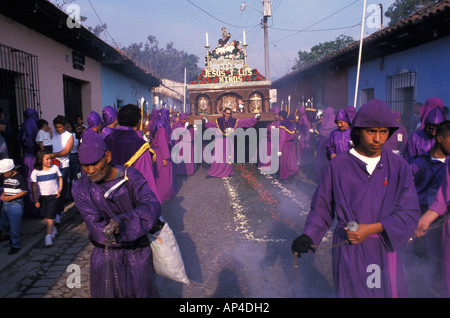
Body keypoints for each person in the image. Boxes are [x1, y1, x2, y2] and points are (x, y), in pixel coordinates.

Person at [291, 99, 421, 298]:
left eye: (384, 131)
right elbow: (322, 207)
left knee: (382, 292)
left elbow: (410, 210)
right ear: (358, 130)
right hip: (349, 247)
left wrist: (374, 228)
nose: (378, 139)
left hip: (383, 247)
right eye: (371, 131)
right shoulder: (339, 165)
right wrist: (309, 234)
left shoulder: (398, 166)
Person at [71, 132, 161, 297]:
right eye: (85, 165)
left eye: (95, 163)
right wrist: (122, 229)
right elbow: (97, 228)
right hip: (106, 256)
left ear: (107, 156)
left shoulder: (131, 177)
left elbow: (151, 206)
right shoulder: (80, 188)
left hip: (137, 254)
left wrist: (124, 222)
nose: (90, 171)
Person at [408, 120, 450, 295]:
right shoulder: (419, 163)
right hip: (423, 216)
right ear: (439, 138)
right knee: (421, 256)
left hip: (441, 219)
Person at [104, 104, 162, 204]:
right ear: (139, 122)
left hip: (106, 197)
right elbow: (146, 178)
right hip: (129, 200)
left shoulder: (105, 140)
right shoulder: (140, 146)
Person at [203, 107, 260, 178]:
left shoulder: (234, 121)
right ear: (224, 113)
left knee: (228, 158)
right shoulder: (219, 120)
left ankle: (227, 172)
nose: (228, 115)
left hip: (228, 142)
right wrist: (205, 121)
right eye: (227, 113)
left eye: (230, 114)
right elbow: (211, 125)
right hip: (219, 142)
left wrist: (255, 118)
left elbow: (244, 122)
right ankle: (214, 173)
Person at [31, 149, 63, 247]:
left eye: (50, 159)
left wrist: (60, 189)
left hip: (53, 195)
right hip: (43, 197)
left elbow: (60, 178)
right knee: (46, 214)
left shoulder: (55, 168)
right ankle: (53, 229)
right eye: (47, 159)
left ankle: (48, 237)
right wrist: (36, 199)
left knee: (50, 216)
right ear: (41, 160)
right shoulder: (36, 172)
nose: (50, 161)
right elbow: (34, 186)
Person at [0, 159, 28, 255]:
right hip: (6, 204)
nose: (3, 175)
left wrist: (11, 197)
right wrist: (3, 194)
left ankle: (16, 244)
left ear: (10, 171)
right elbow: (5, 186)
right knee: (3, 223)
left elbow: (24, 191)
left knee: (14, 226)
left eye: (4, 173)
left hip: (15, 204)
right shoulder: (5, 177)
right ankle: (10, 236)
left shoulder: (19, 178)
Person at [149, 107, 178, 200]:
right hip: (161, 154)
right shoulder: (161, 127)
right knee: (164, 177)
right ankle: (164, 195)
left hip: (157, 152)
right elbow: (163, 143)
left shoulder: (156, 124)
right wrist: (165, 157)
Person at [51, 115, 74, 222]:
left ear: (64, 126)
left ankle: (59, 211)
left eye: (60, 127)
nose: (58, 129)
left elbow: (66, 151)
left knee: (60, 189)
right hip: (51, 166)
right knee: (52, 190)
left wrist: (52, 155)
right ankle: (56, 211)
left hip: (63, 166)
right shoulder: (52, 134)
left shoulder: (69, 136)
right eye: (56, 127)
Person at [258, 106, 280, 174]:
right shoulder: (269, 121)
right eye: (275, 115)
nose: (276, 116)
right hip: (268, 139)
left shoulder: (280, 122)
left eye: (277, 115)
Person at [278, 111, 299, 180]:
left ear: (281, 116)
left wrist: (280, 150)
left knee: (284, 161)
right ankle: (291, 173)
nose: (278, 117)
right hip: (291, 144)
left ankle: (285, 176)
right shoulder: (289, 122)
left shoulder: (283, 124)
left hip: (285, 145)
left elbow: (282, 138)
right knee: (290, 160)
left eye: (278, 116)